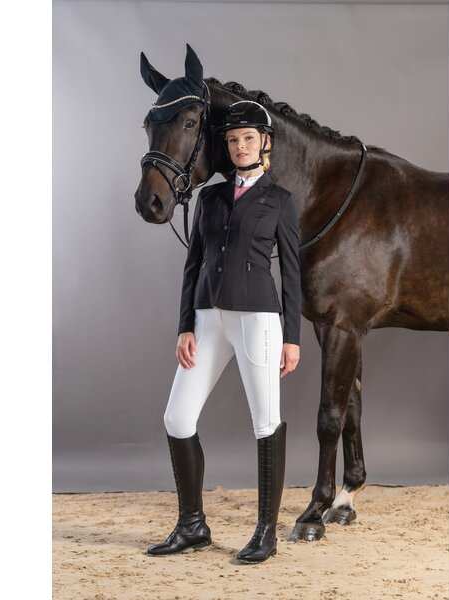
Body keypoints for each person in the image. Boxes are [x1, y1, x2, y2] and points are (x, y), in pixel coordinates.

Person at [146, 100, 302, 564]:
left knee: (265, 421)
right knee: (177, 418)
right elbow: (192, 264)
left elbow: (291, 274)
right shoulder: (210, 198)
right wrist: (185, 325)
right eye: (233, 140)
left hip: (257, 320)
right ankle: (192, 526)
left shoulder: (280, 201)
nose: (239, 146)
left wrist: (292, 337)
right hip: (208, 318)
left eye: (248, 138)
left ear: (264, 142)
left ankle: (266, 532)